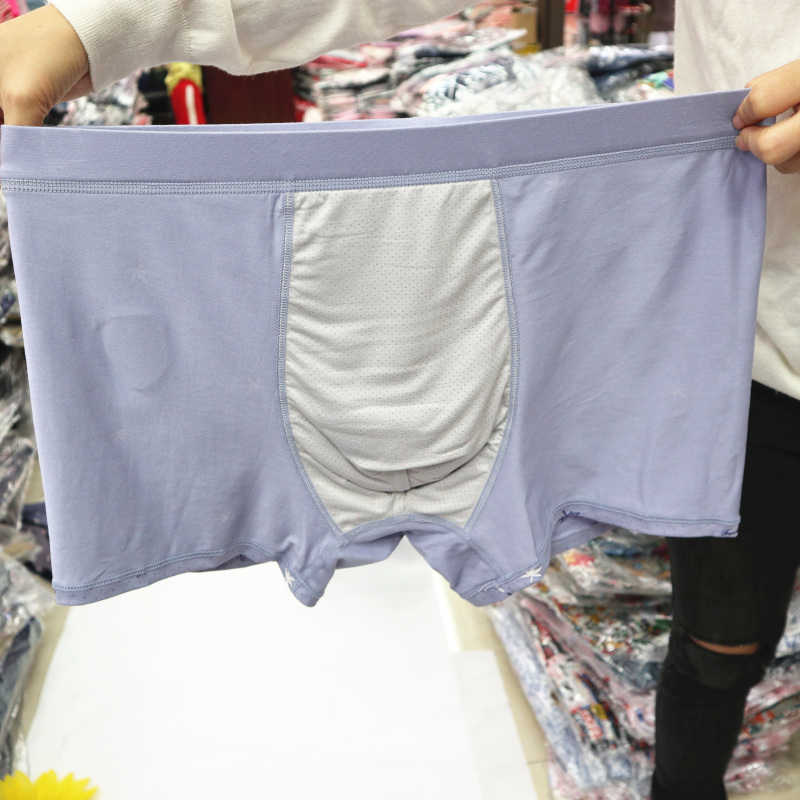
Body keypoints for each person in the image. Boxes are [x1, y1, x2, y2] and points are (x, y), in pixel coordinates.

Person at [0, 2, 798, 798]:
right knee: (720, 646)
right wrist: (98, 24)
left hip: (638, 241)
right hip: (746, 318)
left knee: (724, 639)